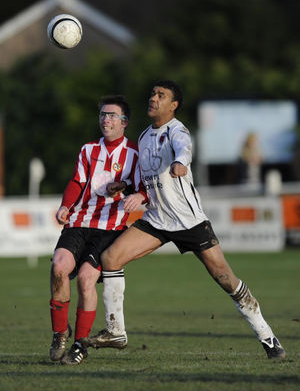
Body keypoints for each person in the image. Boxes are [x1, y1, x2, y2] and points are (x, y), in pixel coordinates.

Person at [87, 80, 286, 360]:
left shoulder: (177, 131)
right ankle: (116, 331)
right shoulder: (144, 137)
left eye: (161, 95)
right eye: (153, 93)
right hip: (156, 220)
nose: (153, 98)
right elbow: (146, 181)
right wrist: (125, 186)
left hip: (189, 221)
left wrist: (181, 161)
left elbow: (184, 148)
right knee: (110, 258)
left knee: (226, 279)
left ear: (174, 105)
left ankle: (268, 337)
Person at [49, 95, 146, 365]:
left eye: (112, 115)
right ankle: (59, 333)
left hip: (110, 228)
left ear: (125, 122)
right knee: (59, 267)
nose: (106, 119)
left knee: (85, 279)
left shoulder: (135, 153)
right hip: (79, 222)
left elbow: (144, 189)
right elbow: (77, 181)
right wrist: (65, 206)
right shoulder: (88, 149)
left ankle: (80, 344)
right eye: (103, 115)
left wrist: (132, 193)